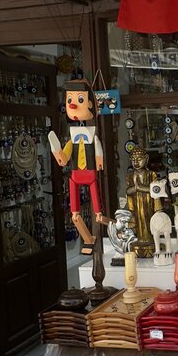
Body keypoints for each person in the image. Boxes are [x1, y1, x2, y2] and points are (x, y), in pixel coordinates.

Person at [48, 79, 105, 252]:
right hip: (75, 174)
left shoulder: (91, 135)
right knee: (74, 208)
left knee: (95, 194)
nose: (73, 105)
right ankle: (77, 218)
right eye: (70, 100)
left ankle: (98, 214)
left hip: (89, 173)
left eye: (80, 100)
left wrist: (99, 160)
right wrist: (59, 153)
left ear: (89, 103)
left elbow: (97, 150)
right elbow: (65, 157)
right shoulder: (72, 139)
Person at [125, 145, 156, 258]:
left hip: (148, 203)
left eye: (139, 159)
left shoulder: (151, 174)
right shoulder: (130, 175)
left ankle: (149, 239)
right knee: (138, 220)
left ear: (146, 158)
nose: (136, 162)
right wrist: (135, 189)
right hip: (136, 203)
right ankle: (140, 239)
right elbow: (128, 191)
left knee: (148, 220)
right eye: (133, 160)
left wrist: (140, 188)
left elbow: (155, 190)